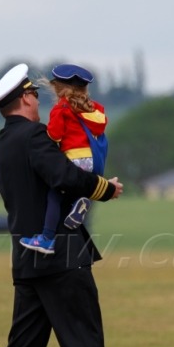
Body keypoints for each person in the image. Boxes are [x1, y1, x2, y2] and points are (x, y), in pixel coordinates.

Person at [0, 63, 129, 347]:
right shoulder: (34, 136)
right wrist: (103, 188)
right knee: (86, 342)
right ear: (27, 98)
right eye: (34, 95)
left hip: (26, 257)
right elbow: (63, 177)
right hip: (61, 255)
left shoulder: (4, 142)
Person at [19, 63, 109, 255]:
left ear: (58, 89)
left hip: (73, 159)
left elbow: (55, 135)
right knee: (77, 189)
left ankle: (47, 239)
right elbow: (100, 127)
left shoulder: (61, 109)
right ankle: (82, 201)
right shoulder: (95, 109)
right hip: (92, 161)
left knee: (55, 196)